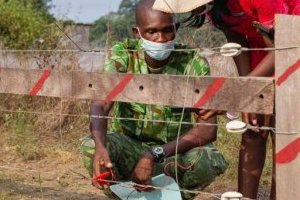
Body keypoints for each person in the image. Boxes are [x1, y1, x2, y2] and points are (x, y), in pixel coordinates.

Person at [153, 0, 300, 199]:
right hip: (262, 53)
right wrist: (247, 91)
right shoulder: (217, 11)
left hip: (291, 48)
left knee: (280, 131)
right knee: (253, 130)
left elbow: (282, 47)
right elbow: (237, 40)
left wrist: (242, 91)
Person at [80, 0, 228, 199]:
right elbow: (101, 102)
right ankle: (125, 196)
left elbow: (207, 129)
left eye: (168, 30)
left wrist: (153, 154)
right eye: (152, 32)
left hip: (173, 152)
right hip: (130, 148)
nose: (161, 39)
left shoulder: (193, 62)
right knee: (92, 145)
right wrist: (100, 147)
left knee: (207, 159)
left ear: (176, 28)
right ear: (137, 32)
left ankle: (175, 198)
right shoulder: (124, 55)